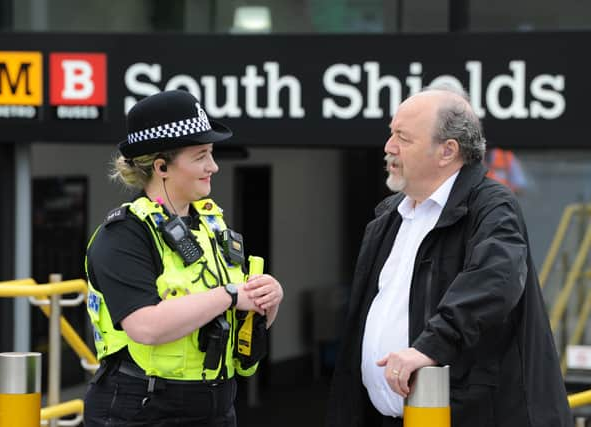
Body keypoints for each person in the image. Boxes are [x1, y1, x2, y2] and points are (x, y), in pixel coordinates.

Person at [327, 84, 572, 427]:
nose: (388, 147)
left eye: (403, 137)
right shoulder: (388, 216)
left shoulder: (492, 207)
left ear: (447, 151)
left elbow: (494, 282)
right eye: (390, 134)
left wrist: (429, 347)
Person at [83, 89, 284, 427]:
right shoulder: (123, 235)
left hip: (216, 405)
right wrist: (232, 295)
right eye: (201, 155)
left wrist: (267, 299)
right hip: (143, 408)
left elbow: (233, 319)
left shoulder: (211, 225)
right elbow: (145, 326)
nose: (213, 166)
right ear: (161, 165)